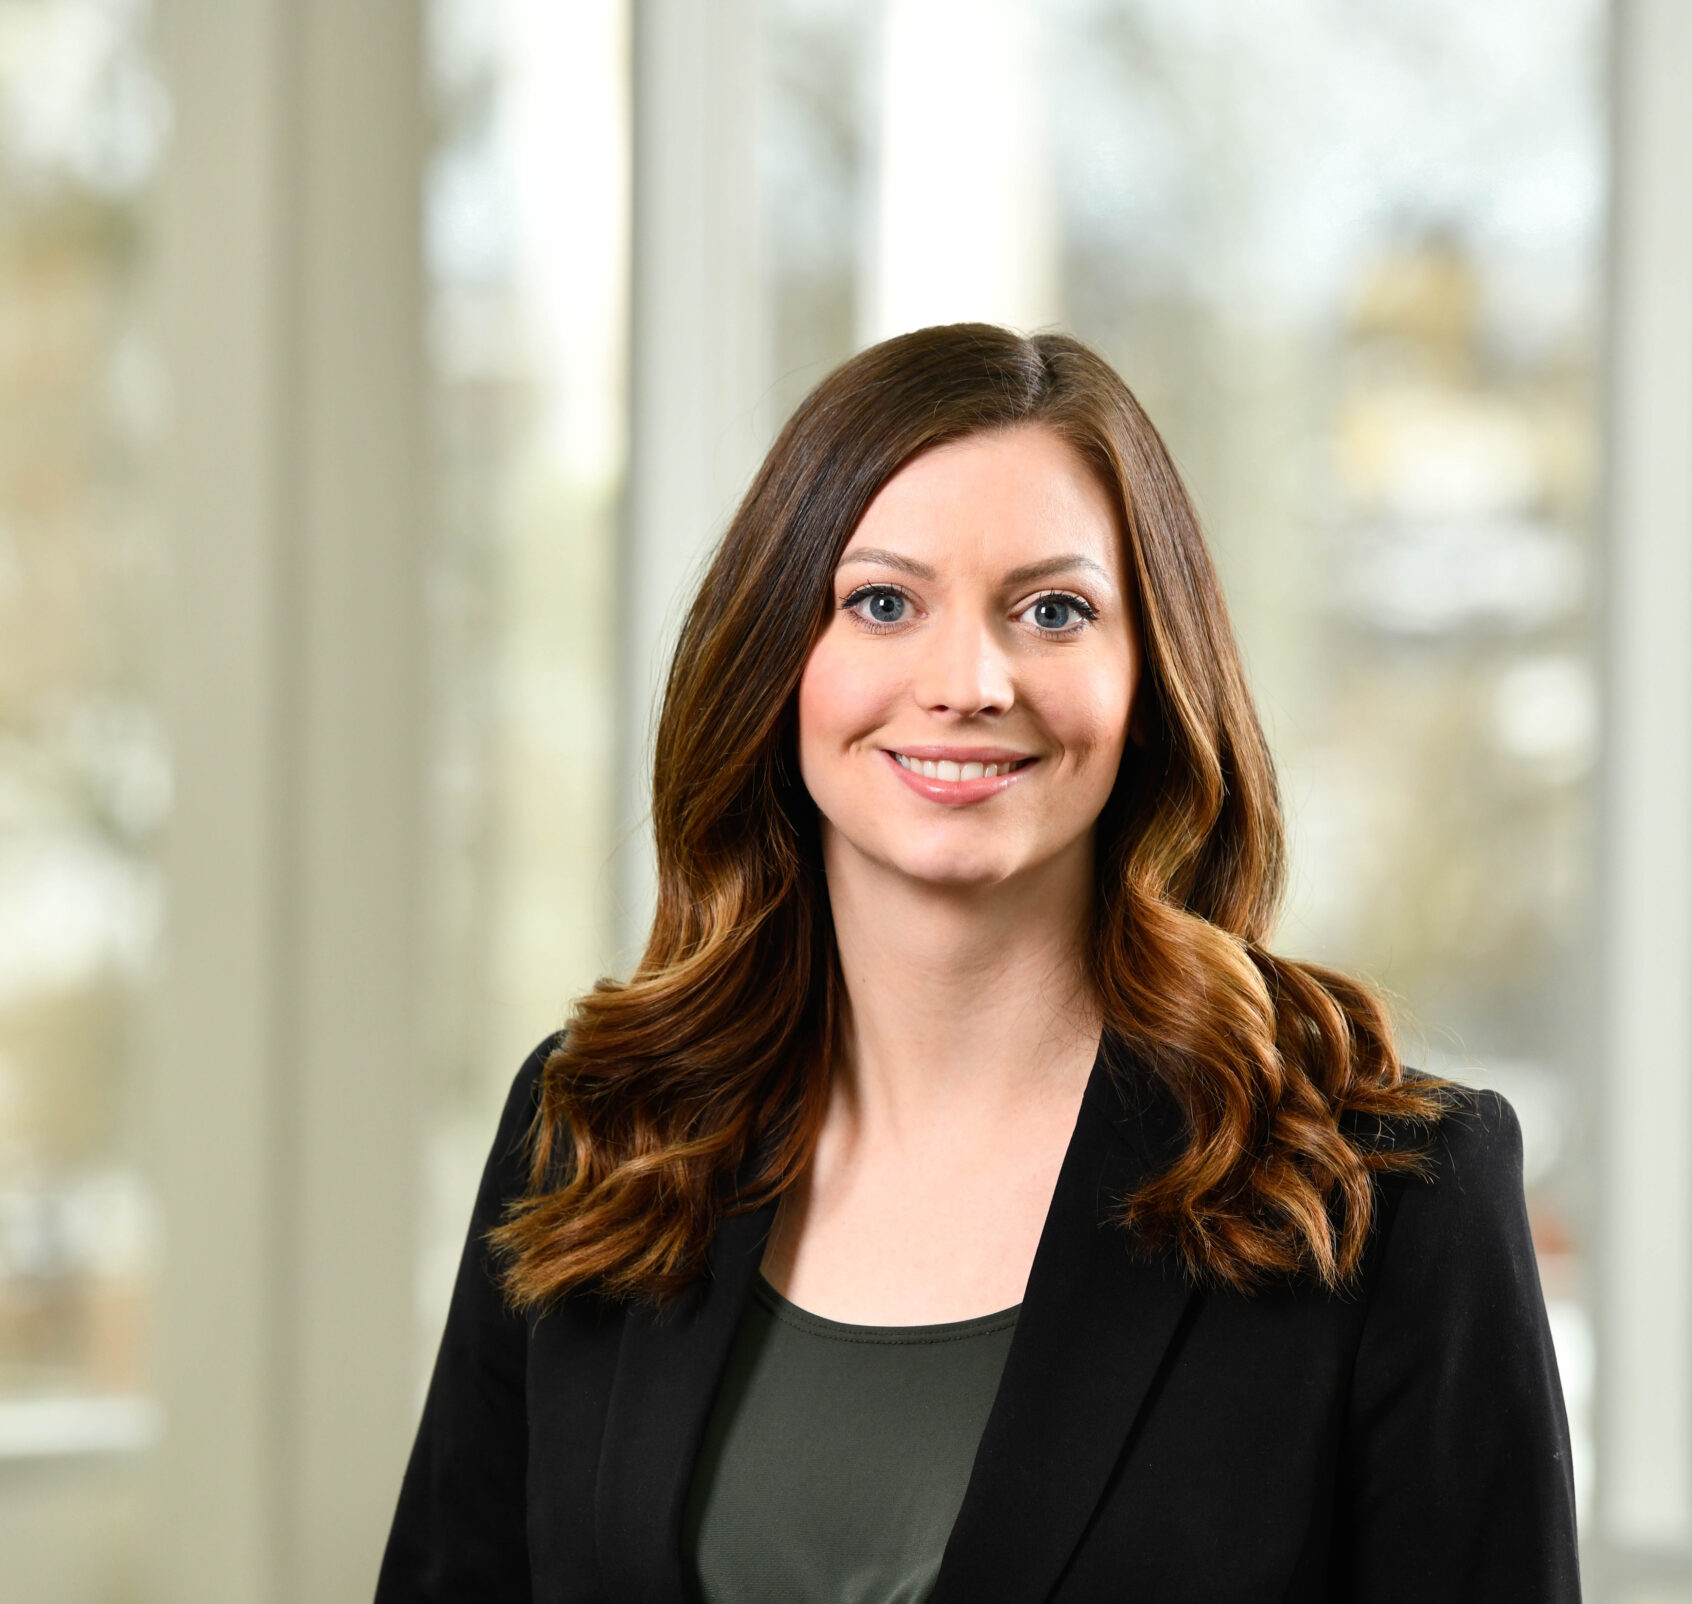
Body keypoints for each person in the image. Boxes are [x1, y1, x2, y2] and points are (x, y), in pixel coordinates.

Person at [376, 324, 1581, 1603]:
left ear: (1152, 677)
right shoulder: (597, 1126)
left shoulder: (1387, 1198)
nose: (968, 680)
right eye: (882, 601)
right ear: (777, 658)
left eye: (1053, 610)